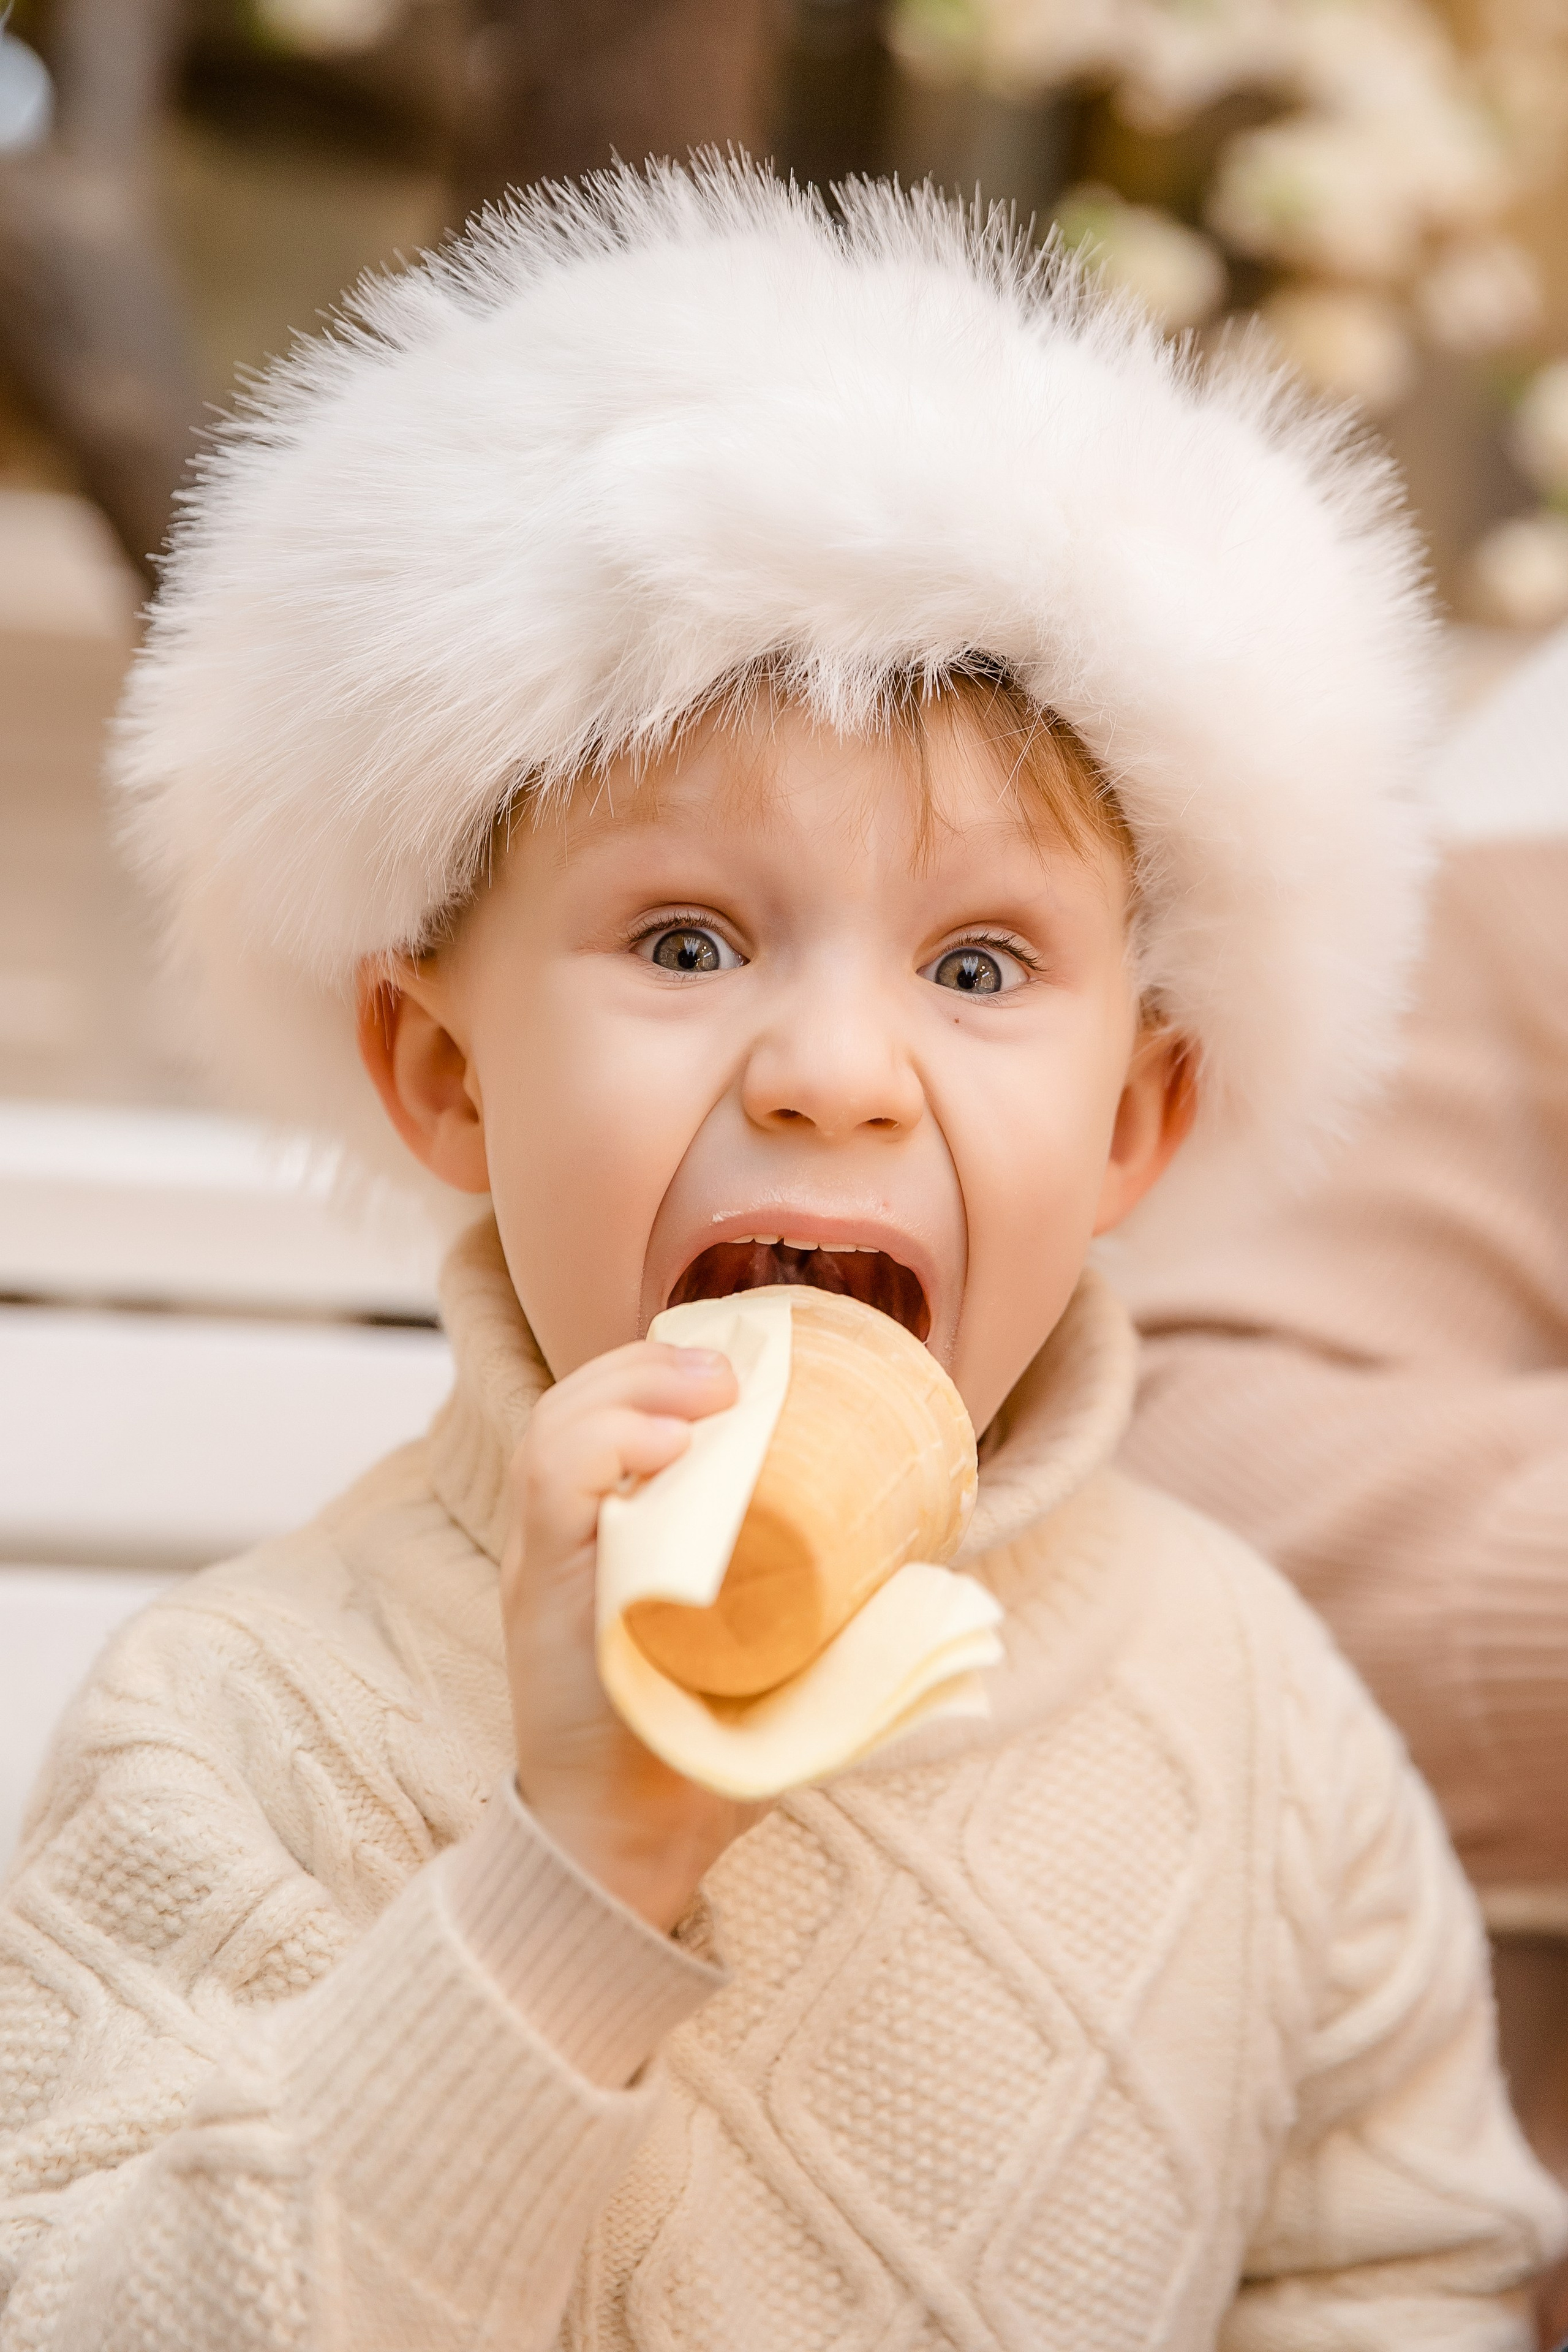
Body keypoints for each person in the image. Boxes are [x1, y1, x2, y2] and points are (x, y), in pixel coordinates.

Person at [1, 164, 1561, 2348]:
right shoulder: (234, 1731)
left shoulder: (1263, 1719)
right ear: (440, 1074)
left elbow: (1402, 2261)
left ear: (1135, 1121)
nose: (839, 1070)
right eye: (685, 939)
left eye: (984, 963)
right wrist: (574, 1879)